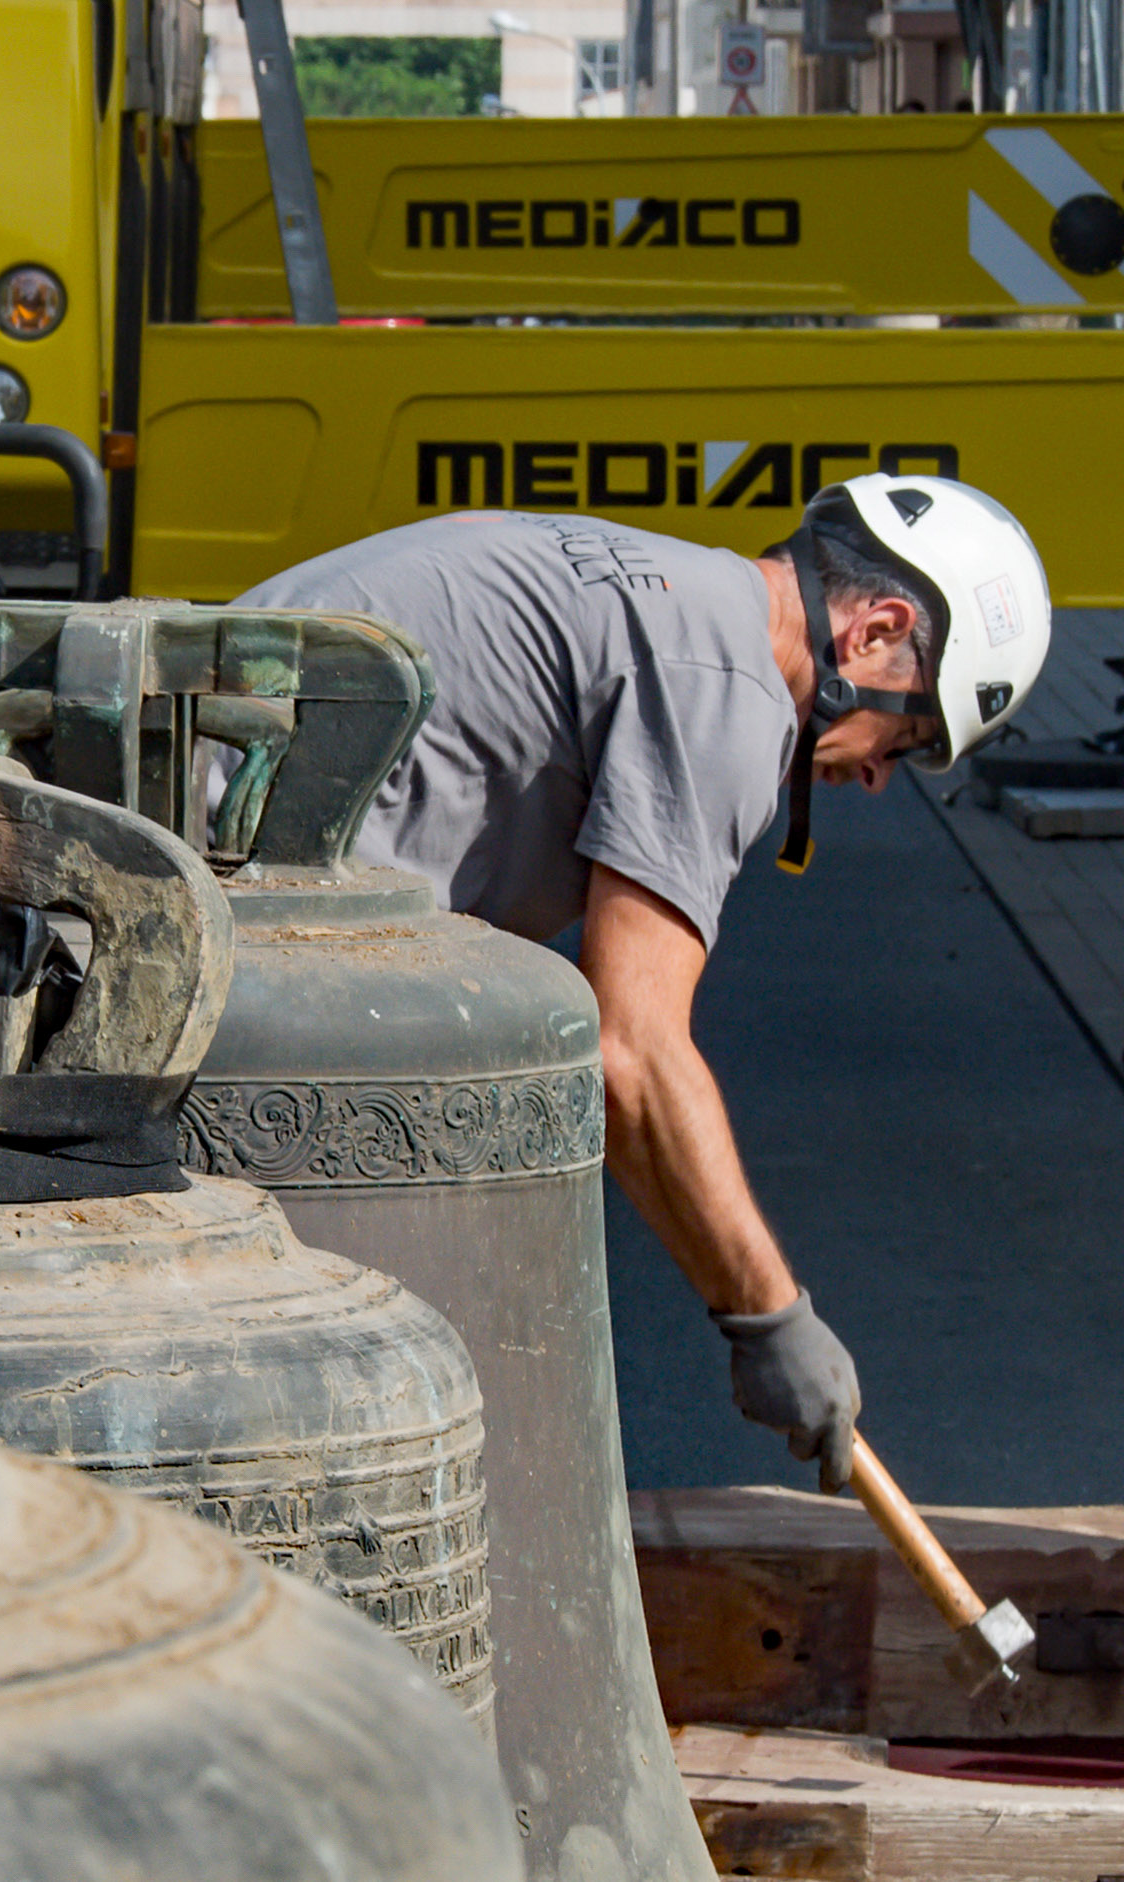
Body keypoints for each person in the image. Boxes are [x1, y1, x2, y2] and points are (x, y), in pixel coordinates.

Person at [232, 477, 1052, 1493]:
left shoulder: (658, 583)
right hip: (218, 936)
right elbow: (630, 1051)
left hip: (202, 865)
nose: (883, 775)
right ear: (876, 631)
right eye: (913, 735)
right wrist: (771, 1316)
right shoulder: (732, 691)